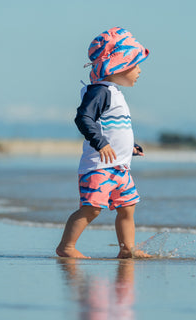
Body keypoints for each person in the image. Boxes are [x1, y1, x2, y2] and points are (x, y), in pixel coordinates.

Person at [56, 27, 150, 259]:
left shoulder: (115, 92)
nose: (139, 71)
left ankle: (127, 249)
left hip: (120, 166)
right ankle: (66, 247)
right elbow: (83, 118)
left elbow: (115, 127)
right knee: (92, 208)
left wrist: (130, 147)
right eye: (136, 65)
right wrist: (100, 144)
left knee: (128, 208)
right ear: (121, 64)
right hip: (98, 165)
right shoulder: (100, 91)